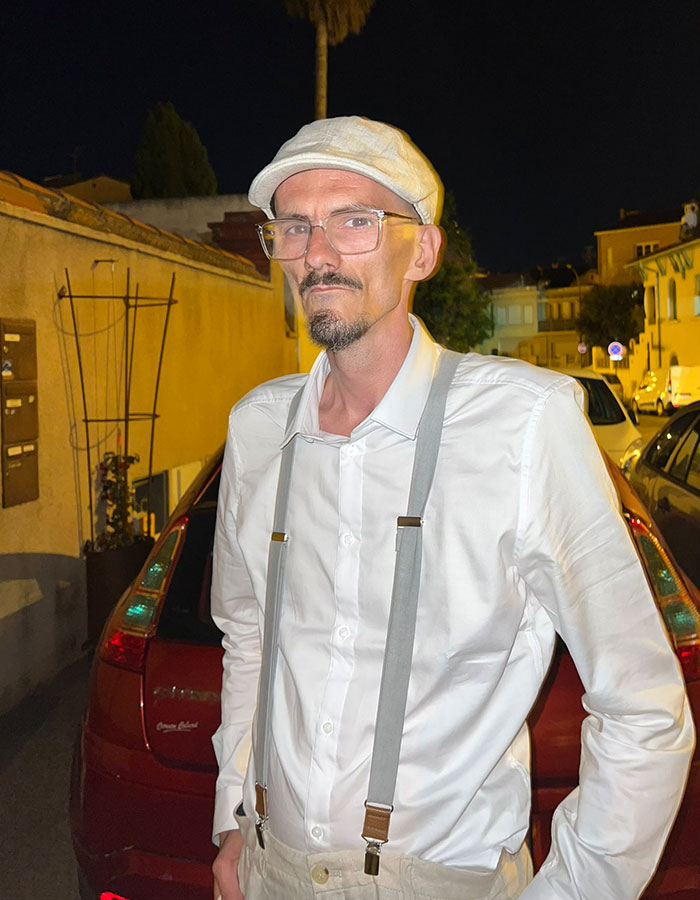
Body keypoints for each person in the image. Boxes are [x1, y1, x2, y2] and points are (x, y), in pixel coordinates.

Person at [210, 116, 694, 900]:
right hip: (272, 873)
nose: (319, 253)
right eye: (295, 227)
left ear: (423, 252)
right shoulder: (257, 427)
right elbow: (248, 635)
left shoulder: (525, 425)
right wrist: (233, 819)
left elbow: (643, 709)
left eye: (355, 221)